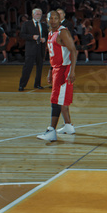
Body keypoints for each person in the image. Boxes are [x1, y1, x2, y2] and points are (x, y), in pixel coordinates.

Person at [36, 10, 77, 141]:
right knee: (60, 99)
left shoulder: (62, 32)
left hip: (64, 70)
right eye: (50, 18)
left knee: (56, 100)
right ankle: (68, 126)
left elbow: (73, 51)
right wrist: (50, 70)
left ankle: (51, 131)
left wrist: (72, 71)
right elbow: (53, 55)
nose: (53, 20)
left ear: (59, 20)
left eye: (55, 18)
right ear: (46, 20)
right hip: (56, 69)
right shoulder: (50, 33)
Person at [19, 8, 47, 91]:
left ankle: (37, 84)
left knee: (40, 68)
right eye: (37, 14)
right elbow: (22, 35)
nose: (39, 16)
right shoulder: (27, 24)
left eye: (40, 14)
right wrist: (32, 37)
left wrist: (44, 39)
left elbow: (47, 35)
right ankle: (22, 85)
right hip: (31, 49)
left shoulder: (44, 25)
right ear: (33, 15)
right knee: (27, 67)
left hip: (40, 49)